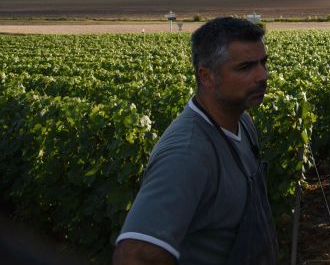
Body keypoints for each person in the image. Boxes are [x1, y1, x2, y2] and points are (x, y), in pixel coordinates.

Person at [113, 17, 277, 265]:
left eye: (263, 63)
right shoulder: (186, 154)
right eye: (245, 67)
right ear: (207, 76)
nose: (262, 76)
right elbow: (135, 255)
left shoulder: (243, 122)